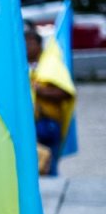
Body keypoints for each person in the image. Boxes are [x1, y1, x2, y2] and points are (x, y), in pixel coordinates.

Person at [24, 21, 76, 176]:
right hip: (28, 123)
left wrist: (41, 91)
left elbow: (66, 92)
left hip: (48, 123)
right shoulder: (21, 67)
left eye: (30, 43)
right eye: (24, 43)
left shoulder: (51, 64)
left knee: (48, 163)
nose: (26, 47)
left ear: (39, 44)